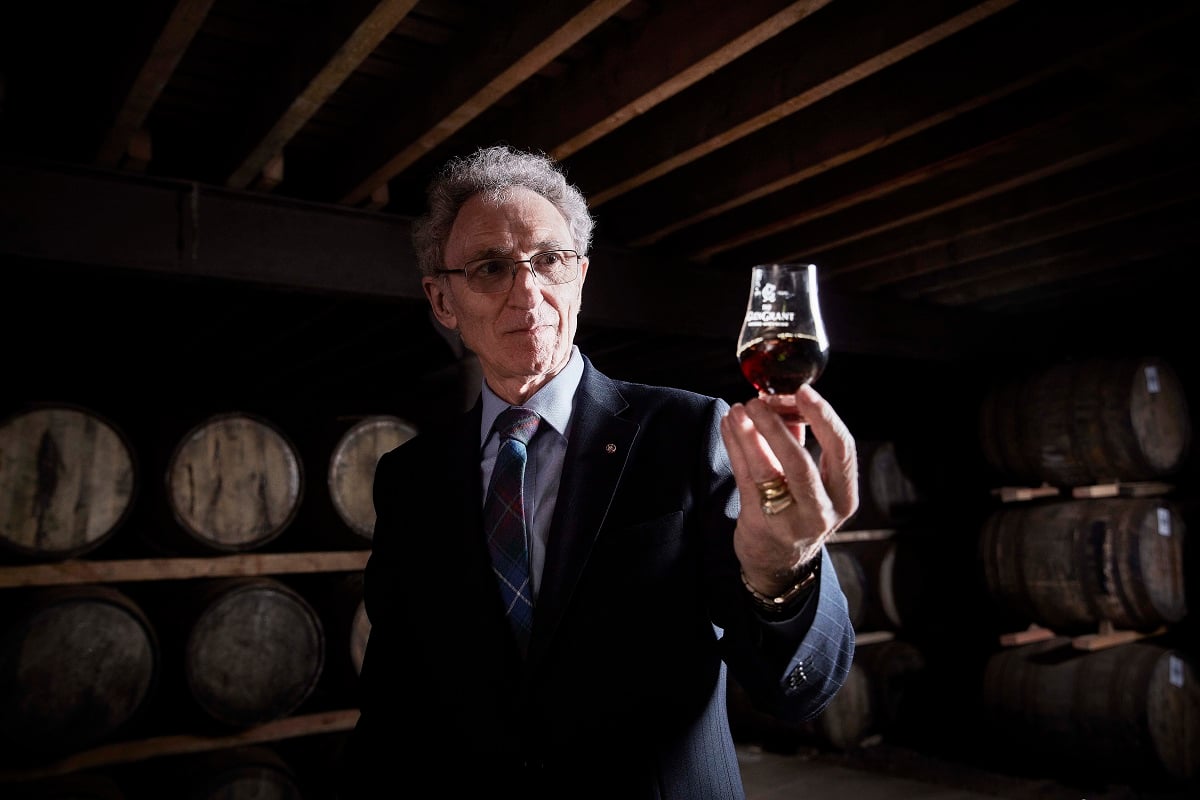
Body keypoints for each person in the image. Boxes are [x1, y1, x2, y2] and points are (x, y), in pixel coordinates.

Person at [338, 144, 858, 799]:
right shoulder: (410, 478)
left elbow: (797, 690)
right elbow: (393, 702)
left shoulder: (692, 432)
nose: (527, 291)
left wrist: (782, 576)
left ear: (580, 276)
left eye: (549, 260)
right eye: (491, 267)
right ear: (443, 300)